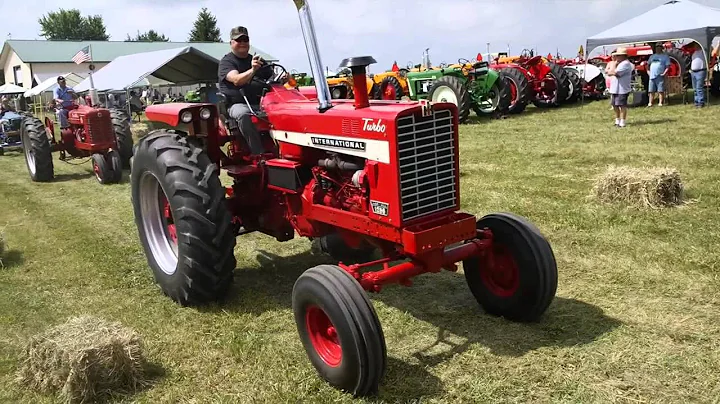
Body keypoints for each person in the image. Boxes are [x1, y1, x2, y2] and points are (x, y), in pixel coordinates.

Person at [218, 26, 286, 155]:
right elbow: (237, 80)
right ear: (231, 43)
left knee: (284, 112)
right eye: (239, 40)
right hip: (237, 104)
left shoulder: (257, 60)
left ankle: (283, 151)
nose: (243, 43)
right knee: (244, 115)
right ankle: (257, 153)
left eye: (245, 40)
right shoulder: (227, 62)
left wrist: (282, 79)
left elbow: (272, 78)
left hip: (261, 103)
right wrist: (253, 70)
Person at [606, 47, 634, 128]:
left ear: (623, 56)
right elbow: (608, 72)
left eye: (618, 55)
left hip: (622, 89)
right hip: (615, 88)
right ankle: (617, 120)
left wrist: (613, 65)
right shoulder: (620, 64)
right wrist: (612, 70)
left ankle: (622, 122)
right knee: (615, 105)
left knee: (622, 106)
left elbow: (615, 73)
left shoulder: (625, 64)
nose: (616, 57)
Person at [689, 42, 707, 108]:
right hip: (693, 72)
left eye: (696, 44)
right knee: (695, 88)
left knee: (699, 87)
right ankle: (696, 102)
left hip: (700, 71)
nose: (695, 46)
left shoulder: (703, 52)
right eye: (694, 45)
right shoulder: (694, 53)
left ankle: (701, 102)